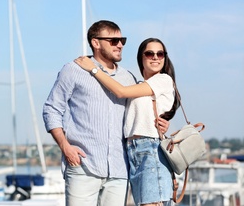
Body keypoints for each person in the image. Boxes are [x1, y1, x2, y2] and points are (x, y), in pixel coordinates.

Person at [42, 21, 170, 206]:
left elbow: (139, 113)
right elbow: (51, 109)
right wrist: (65, 146)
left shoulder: (128, 78)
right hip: (84, 166)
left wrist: (162, 124)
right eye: (114, 40)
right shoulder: (73, 70)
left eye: (122, 40)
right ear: (96, 43)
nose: (120, 45)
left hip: (119, 171)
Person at [74, 38, 179, 206]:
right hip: (132, 152)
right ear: (141, 58)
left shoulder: (163, 80)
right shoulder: (139, 85)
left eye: (160, 54)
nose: (155, 57)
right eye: (149, 53)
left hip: (150, 151)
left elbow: (120, 92)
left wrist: (93, 69)